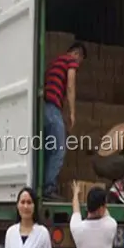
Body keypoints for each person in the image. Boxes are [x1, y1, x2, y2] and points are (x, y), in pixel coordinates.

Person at [43, 42, 88, 201]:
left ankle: (44, 186)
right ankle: (49, 188)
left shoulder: (54, 62)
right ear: (77, 55)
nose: (78, 65)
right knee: (59, 149)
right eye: (80, 61)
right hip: (52, 108)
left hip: (43, 108)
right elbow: (70, 86)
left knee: (48, 149)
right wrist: (72, 113)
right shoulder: (70, 61)